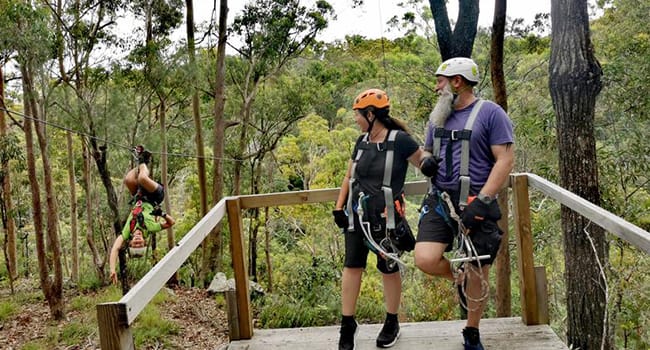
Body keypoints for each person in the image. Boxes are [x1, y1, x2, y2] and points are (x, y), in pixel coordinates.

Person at [415, 57, 514, 350]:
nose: (437, 88)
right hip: (441, 201)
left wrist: (483, 202)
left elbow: (505, 160)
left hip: (476, 203)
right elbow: (425, 151)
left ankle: (472, 331)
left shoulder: (491, 114)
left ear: (457, 82)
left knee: (478, 270)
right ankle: (456, 277)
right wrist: (425, 161)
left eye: (440, 81)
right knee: (425, 258)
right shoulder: (439, 117)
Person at [333, 88, 427, 349]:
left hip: (386, 219)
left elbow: (423, 160)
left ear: (371, 114)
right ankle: (347, 325)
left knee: (388, 268)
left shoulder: (400, 140)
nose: (356, 120)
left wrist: (433, 164)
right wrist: (339, 207)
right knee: (352, 266)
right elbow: (349, 177)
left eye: (359, 115)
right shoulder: (361, 142)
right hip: (357, 216)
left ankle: (392, 321)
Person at [109, 146, 176, 284]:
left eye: (135, 244)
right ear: (145, 242)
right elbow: (171, 223)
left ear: (131, 242)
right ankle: (143, 160)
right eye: (140, 244)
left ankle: (142, 162)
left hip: (139, 197)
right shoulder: (150, 228)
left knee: (128, 179)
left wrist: (112, 269)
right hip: (155, 196)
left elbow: (115, 248)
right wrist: (162, 214)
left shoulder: (128, 231)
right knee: (142, 178)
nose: (138, 242)